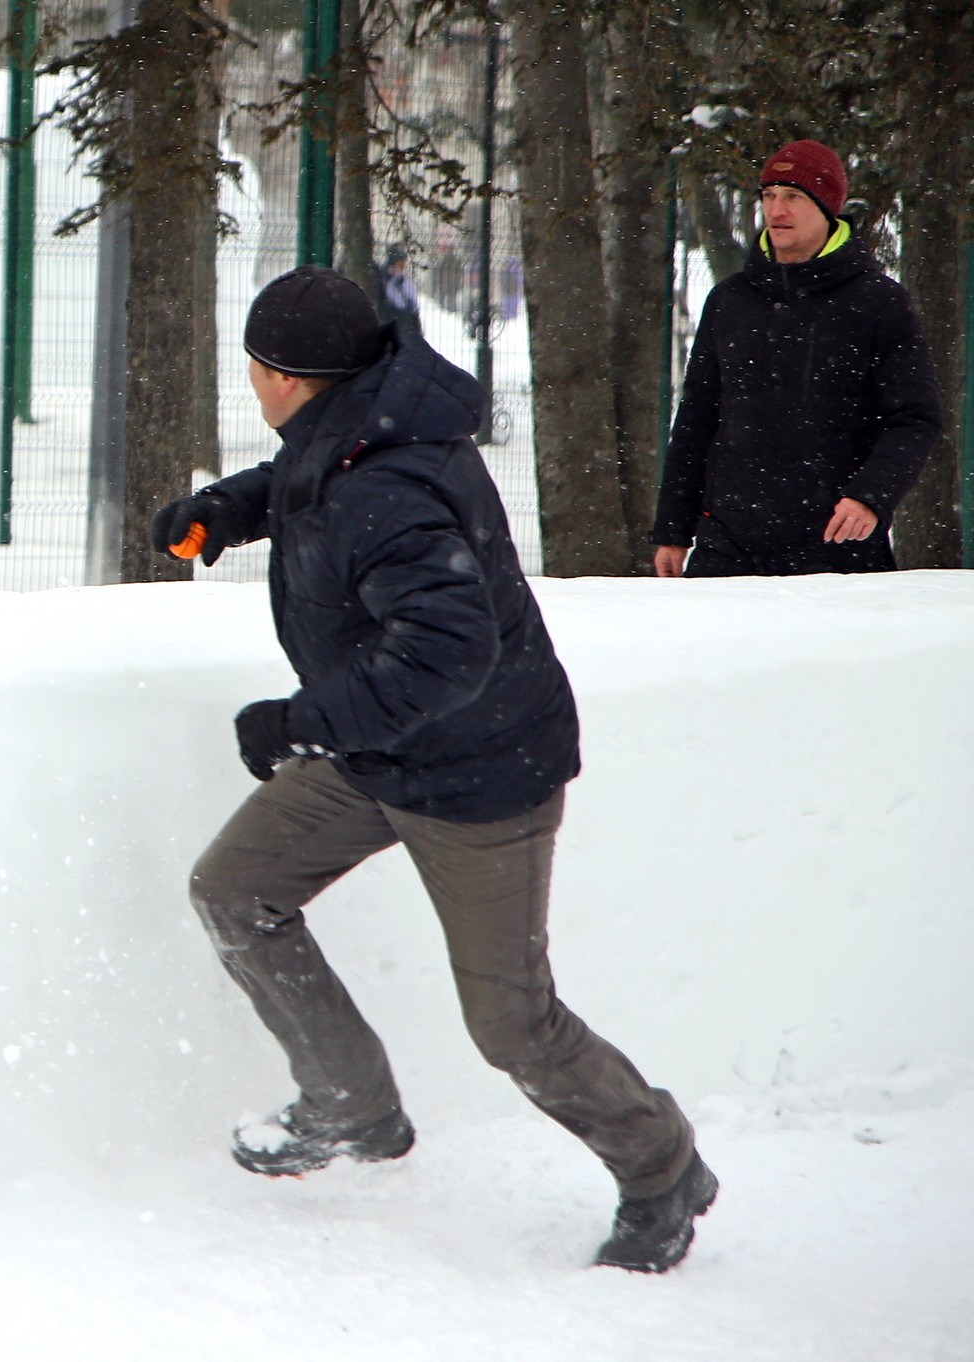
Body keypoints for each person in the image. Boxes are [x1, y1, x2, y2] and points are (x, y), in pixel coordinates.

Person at [154, 267, 715, 1274]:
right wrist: (227, 509)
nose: (250, 379)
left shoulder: (384, 483)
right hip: (387, 748)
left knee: (512, 1025)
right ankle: (350, 1106)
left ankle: (660, 1162)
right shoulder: (362, 425)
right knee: (235, 889)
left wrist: (297, 722)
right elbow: (308, 481)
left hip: (476, 773)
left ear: (281, 377)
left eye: (254, 364)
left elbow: (444, 654)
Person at [651, 139, 942, 577]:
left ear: (826, 208)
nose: (776, 210)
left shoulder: (877, 302)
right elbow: (696, 419)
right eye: (768, 196)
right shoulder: (730, 300)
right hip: (728, 547)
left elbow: (915, 419)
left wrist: (870, 497)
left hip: (835, 546)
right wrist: (672, 530)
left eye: (793, 197)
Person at [374, 242, 422, 340]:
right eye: (399, 263)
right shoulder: (384, 280)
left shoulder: (406, 281)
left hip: (406, 327)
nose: (402, 266)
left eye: (403, 263)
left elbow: (414, 308)